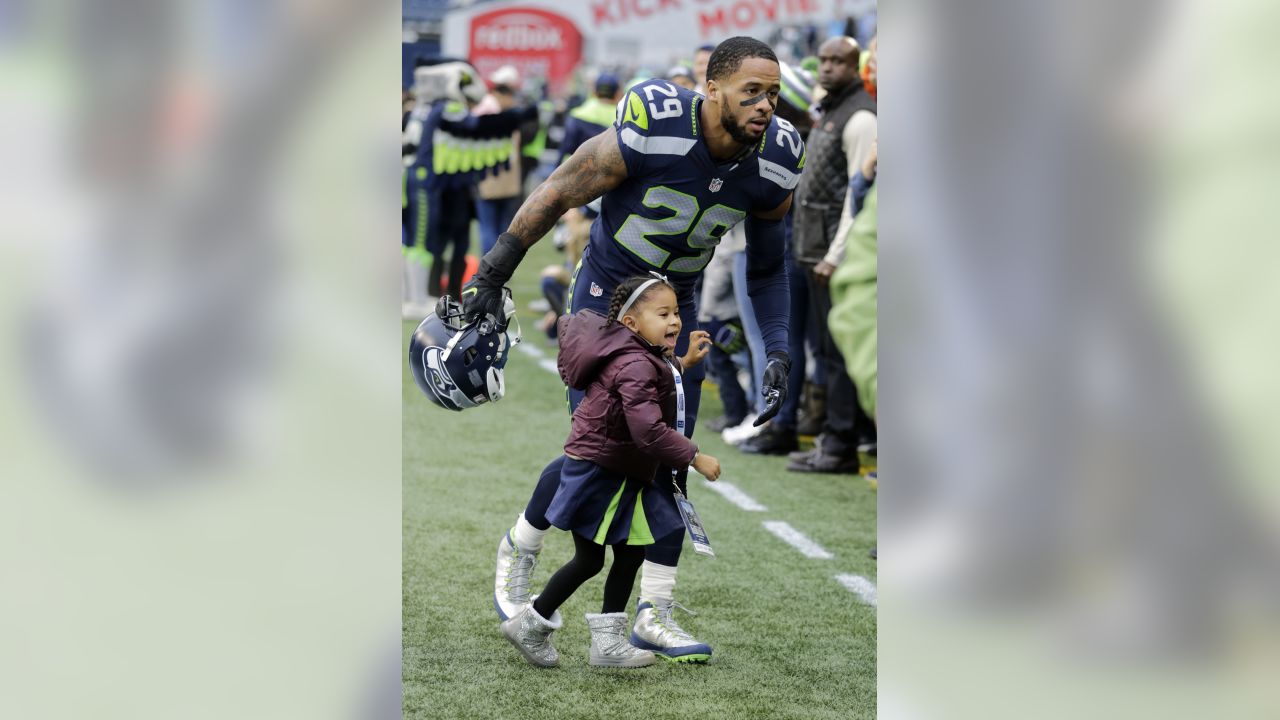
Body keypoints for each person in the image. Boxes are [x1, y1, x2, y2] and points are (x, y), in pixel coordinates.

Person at [469, 36, 803, 661]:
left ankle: (653, 608)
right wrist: (491, 274)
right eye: (750, 91)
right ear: (712, 87)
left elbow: (767, 268)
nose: (765, 106)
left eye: (773, 94)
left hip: (676, 303)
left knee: (666, 456)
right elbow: (558, 190)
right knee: (601, 446)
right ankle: (523, 544)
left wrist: (779, 348)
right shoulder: (655, 125)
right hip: (606, 298)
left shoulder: (777, 157)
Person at [501, 275, 718, 668]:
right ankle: (531, 626)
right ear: (632, 324)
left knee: (631, 552)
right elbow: (648, 431)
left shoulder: (642, 354)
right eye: (663, 313)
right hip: (601, 471)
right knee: (590, 560)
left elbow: (657, 384)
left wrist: (683, 363)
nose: (675, 321)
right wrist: (694, 457)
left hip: (618, 470)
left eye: (676, 312)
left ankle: (608, 644)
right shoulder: (635, 362)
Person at [788, 36, 877, 474]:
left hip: (833, 255)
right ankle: (833, 434)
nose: (826, 68)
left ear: (854, 65)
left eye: (837, 61)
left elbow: (856, 200)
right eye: (823, 60)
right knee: (824, 350)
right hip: (813, 248)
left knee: (840, 354)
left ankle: (841, 443)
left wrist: (836, 254)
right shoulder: (830, 111)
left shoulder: (860, 117)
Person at [403, 59, 535, 305]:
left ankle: (412, 295)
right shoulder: (446, 107)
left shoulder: (420, 107)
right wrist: (515, 118)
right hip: (426, 181)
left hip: (414, 178)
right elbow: (475, 127)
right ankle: (416, 298)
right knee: (421, 241)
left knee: (412, 240)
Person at [473, 66, 525, 256]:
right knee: (500, 227)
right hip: (503, 174)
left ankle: (488, 271)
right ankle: (495, 268)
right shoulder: (507, 112)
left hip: (489, 174)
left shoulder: (484, 109)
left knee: (489, 225)